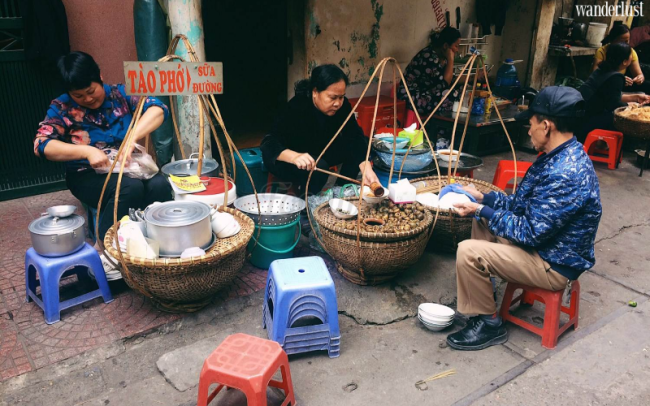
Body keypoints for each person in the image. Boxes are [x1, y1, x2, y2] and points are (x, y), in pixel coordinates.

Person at [445, 86, 602, 351]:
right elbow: (521, 205)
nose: (528, 131)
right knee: (482, 219)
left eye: (531, 124)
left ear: (546, 126)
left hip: (553, 263)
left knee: (468, 252)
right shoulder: (558, 155)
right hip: (544, 247)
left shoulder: (565, 172)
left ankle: (490, 324)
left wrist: (480, 210)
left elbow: (530, 232)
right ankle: (483, 295)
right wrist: (483, 199)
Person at [34, 52, 171, 280]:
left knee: (159, 184)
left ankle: (160, 246)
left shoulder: (121, 94)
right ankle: (108, 260)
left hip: (129, 167)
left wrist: (130, 139)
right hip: (86, 175)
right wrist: (86, 151)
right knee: (129, 189)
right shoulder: (62, 107)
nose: (87, 99)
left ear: (100, 76)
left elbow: (158, 109)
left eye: (91, 91)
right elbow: (41, 145)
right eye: (78, 95)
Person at [260, 64, 380, 195]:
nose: (338, 103)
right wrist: (294, 156)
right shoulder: (296, 107)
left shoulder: (342, 106)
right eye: (333, 97)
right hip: (289, 159)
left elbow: (354, 135)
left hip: (318, 150)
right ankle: (307, 202)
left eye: (341, 97)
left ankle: (341, 191)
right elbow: (268, 143)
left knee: (363, 144)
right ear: (315, 92)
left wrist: (365, 164)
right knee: (318, 166)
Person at [580, 42, 650, 139]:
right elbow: (614, 104)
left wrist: (636, 97)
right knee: (623, 117)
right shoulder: (616, 77)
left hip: (583, 113)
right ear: (625, 61)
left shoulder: (601, 70)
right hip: (591, 119)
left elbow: (610, 96)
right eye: (631, 55)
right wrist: (632, 106)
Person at [398, 27, 463, 116]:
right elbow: (443, 84)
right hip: (412, 97)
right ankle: (442, 127)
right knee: (449, 95)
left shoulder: (442, 58)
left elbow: (451, 79)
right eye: (456, 46)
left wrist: (472, 78)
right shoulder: (428, 57)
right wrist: (451, 60)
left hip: (427, 93)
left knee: (460, 90)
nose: (457, 50)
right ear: (445, 46)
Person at [592, 24, 647, 91]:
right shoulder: (602, 51)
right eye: (621, 41)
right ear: (612, 40)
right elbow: (595, 76)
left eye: (627, 41)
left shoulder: (630, 52)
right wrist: (619, 79)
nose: (625, 44)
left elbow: (639, 74)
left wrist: (640, 78)